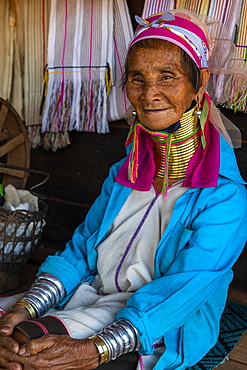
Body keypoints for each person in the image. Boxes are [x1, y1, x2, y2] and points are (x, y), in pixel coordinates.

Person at [0, 9, 246, 370]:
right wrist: (26, 307)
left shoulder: (224, 197)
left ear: (200, 82)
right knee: (15, 336)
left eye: (167, 76)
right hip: (90, 290)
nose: (150, 94)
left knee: (31, 349)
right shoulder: (124, 173)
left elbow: (182, 291)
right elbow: (82, 249)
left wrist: (94, 350)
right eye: (137, 79)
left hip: (158, 320)